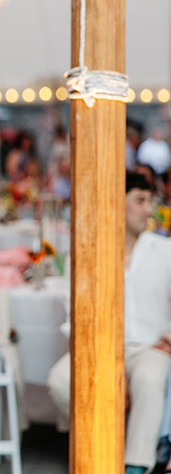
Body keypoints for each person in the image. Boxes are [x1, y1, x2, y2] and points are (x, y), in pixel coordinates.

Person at [47, 172, 170, 474]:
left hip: (149, 346)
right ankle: (101, 446)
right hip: (98, 346)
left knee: (150, 379)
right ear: (117, 203)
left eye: (150, 201)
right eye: (139, 200)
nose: (147, 209)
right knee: (60, 381)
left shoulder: (165, 250)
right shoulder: (89, 250)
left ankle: (135, 466)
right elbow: (72, 310)